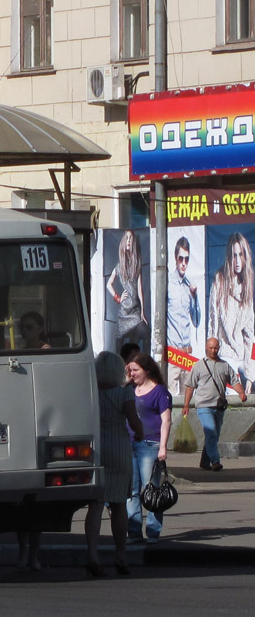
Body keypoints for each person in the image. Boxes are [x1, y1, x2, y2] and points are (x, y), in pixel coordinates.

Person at [84, 351, 145, 577]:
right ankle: (120, 554)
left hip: (96, 448)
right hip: (119, 447)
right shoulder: (124, 393)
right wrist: (140, 433)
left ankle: (92, 554)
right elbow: (133, 421)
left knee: (96, 505)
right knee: (119, 505)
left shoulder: (90, 391)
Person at [125, 352, 172, 544]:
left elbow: (166, 420)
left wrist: (163, 447)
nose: (132, 374)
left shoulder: (160, 391)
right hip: (130, 444)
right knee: (131, 492)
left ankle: (153, 532)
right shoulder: (128, 389)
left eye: (136, 370)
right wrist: (126, 380)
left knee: (150, 490)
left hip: (150, 445)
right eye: (130, 370)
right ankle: (134, 533)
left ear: (147, 370)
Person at [182, 337, 248, 471]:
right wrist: (186, 405)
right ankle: (215, 461)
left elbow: (234, 381)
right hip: (203, 406)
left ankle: (204, 462)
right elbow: (190, 386)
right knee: (211, 432)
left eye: (216, 348)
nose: (213, 350)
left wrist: (241, 393)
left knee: (214, 435)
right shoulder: (199, 366)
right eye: (211, 348)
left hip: (219, 406)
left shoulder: (224, 365)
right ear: (206, 348)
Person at [208, 232, 255, 396]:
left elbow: (250, 337)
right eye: (234, 255)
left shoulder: (247, 285)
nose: (237, 260)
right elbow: (212, 324)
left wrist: (250, 375)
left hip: (241, 356)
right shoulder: (219, 280)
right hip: (224, 355)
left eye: (240, 255)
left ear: (245, 256)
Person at [167, 237, 201, 395]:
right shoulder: (167, 282)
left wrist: (195, 298)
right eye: (181, 258)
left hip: (186, 353)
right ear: (175, 258)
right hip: (173, 352)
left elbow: (196, 321)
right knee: (172, 402)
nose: (183, 263)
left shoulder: (189, 285)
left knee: (187, 403)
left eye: (186, 259)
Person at [107, 230, 148, 354]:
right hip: (124, 311)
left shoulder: (137, 264)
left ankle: (138, 362)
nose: (129, 241)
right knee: (119, 346)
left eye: (131, 238)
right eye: (127, 238)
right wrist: (117, 297)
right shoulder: (120, 266)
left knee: (144, 332)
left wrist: (142, 312)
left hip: (135, 311)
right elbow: (109, 284)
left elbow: (140, 288)